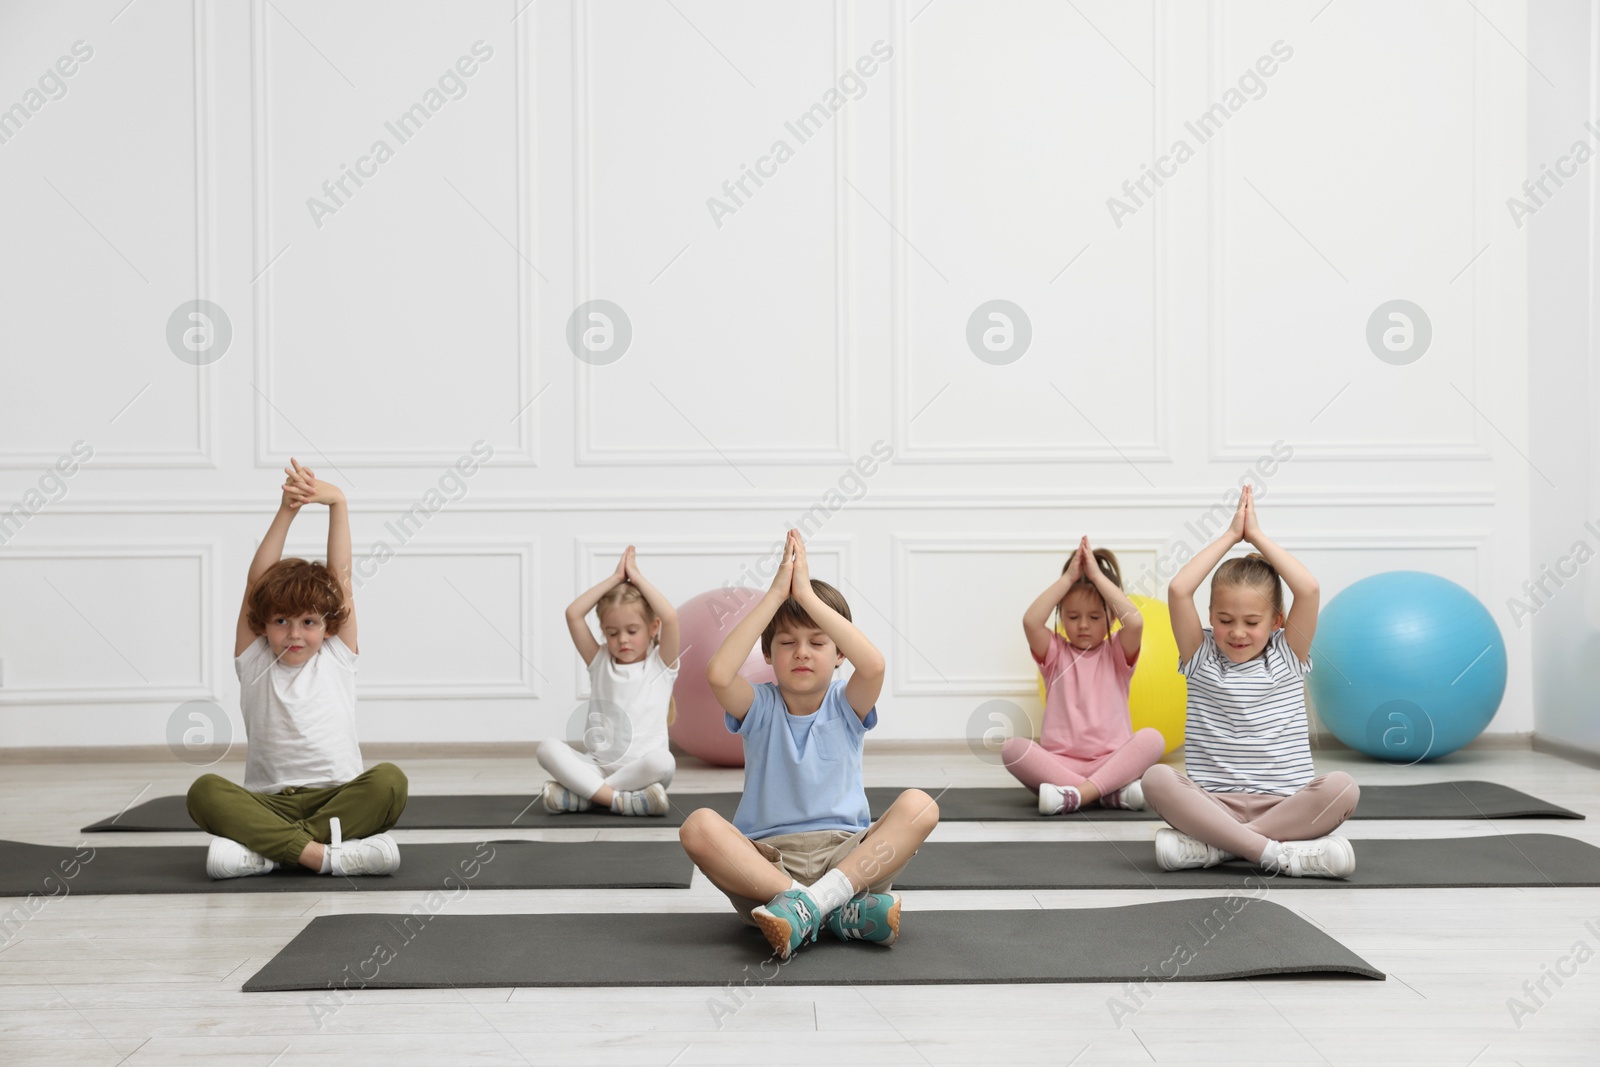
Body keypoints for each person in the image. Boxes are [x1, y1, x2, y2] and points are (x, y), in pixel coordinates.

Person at [678, 530, 940, 959]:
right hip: (766, 872)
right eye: (787, 642)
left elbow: (873, 664)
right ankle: (835, 912)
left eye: (818, 642)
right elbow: (719, 675)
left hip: (850, 861)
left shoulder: (847, 703)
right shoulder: (758, 706)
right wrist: (777, 594)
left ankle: (814, 906)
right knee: (698, 826)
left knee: (921, 805)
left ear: (839, 654)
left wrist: (806, 596)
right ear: (768, 653)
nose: (802, 652)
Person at [186, 459, 407, 879]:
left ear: (328, 627)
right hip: (268, 800)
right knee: (204, 792)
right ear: (263, 625)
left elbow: (341, 577)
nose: (294, 634)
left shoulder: (337, 655)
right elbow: (256, 584)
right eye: (281, 622)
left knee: (390, 781)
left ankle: (269, 852)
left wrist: (337, 503)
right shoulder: (255, 662)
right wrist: (287, 509)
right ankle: (324, 856)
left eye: (308, 622)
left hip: (337, 797)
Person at [1143, 484, 1359, 878]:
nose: (1237, 632)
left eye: (1252, 622)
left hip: (1285, 807)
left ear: (1277, 621)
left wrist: (1256, 535)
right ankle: (1276, 854)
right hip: (1212, 806)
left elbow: (1307, 589)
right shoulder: (1200, 655)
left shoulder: (1288, 655)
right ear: (1210, 615)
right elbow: (1178, 589)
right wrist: (1230, 536)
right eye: (1224, 620)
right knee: (1156, 778)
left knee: (1343, 788)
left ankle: (1219, 848)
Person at [1008, 536, 1164, 814]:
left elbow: (1136, 621)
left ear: (1111, 618)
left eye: (1094, 617)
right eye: (1072, 616)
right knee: (1012, 749)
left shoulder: (1116, 653)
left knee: (1153, 739)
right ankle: (1106, 794)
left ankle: (1075, 795)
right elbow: (1031, 621)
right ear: (1061, 617)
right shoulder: (1055, 654)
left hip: (1112, 762)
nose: (1082, 625)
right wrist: (1069, 579)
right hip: (1061, 764)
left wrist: (1095, 576)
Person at [538, 545, 679, 816]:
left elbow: (671, 617)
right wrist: (615, 579)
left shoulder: (661, 666)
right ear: (603, 632)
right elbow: (573, 614)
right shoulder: (599, 660)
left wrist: (636, 578)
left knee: (663, 761)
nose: (622, 639)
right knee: (547, 749)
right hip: (598, 766)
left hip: (644, 773)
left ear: (652, 628)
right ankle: (620, 801)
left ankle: (586, 795)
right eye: (612, 633)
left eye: (632, 630)